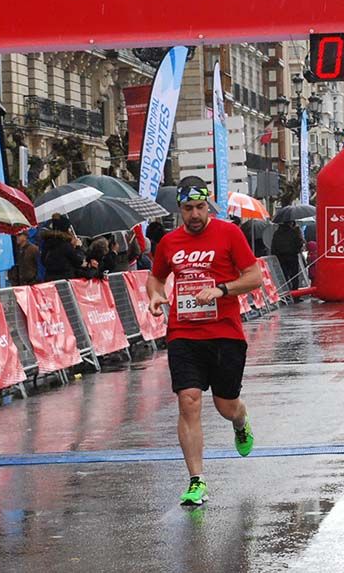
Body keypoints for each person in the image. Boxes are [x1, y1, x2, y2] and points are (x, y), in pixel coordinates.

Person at [146, 177, 263, 506]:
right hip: (184, 333)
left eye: (200, 207)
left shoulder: (229, 234)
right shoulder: (169, 242)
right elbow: (156, 277)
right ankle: (196, 480)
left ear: (208, 205)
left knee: (225, 405)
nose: (194, 214)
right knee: (189, 400)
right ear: (179, 209)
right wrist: (155, 296)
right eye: (188, 208)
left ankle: (240, 421)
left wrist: (222, 289)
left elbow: (253, 276)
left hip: (225, 332)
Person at [271, 220, 304, 289]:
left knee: (284, 276)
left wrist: (274, 255)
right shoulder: (294, 232)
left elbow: (273, 246)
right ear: (291, 223)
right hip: (292, 257)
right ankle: (295, 296)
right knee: (294, 276)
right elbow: (299, 244)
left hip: (280, 257)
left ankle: (286, 293)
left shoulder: (277, 233)